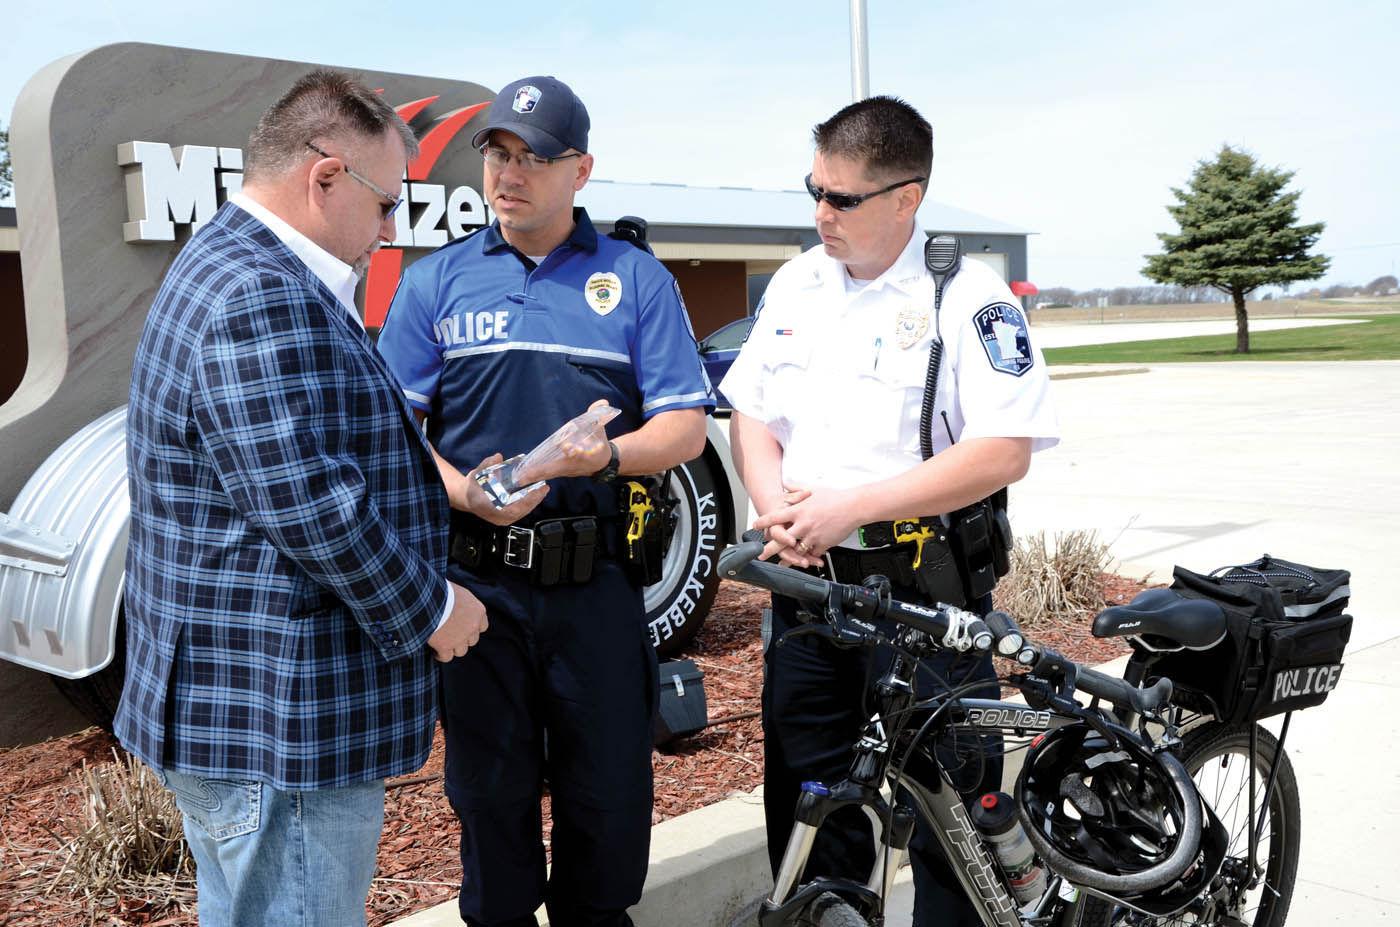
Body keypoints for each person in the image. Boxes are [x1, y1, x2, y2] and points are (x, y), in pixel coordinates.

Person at [117, 69, 488, 927]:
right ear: (325, 178)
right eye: (387, 202)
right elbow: (307, 499)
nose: (392, 228)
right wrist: (433, 608)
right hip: (279, 729)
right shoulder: (258, 291)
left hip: (251, 719)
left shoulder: (234, 266)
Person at [376, 75, 713, 927]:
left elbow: (685, 427)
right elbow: (396, 429)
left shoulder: (632, 279)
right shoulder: (434, 283)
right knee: (492, 806)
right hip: (480, 593)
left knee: (606, 808)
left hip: (595, 589)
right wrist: (464, 493)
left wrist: (609, 455)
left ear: (581, 170)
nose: (508, 174)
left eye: (534, 157)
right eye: (497, 153)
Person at [719, 96, 1059, 926]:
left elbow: (1003, 447)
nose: (820, 213)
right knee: (809, 808)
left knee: (954, 824)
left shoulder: (966, 295)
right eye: (814, 190)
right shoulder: (800, 281)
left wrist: (851, 507)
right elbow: (753, 413)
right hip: (810, 591)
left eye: (841, 198)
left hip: (925, 595)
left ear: (906, 197)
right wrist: (775, 507)